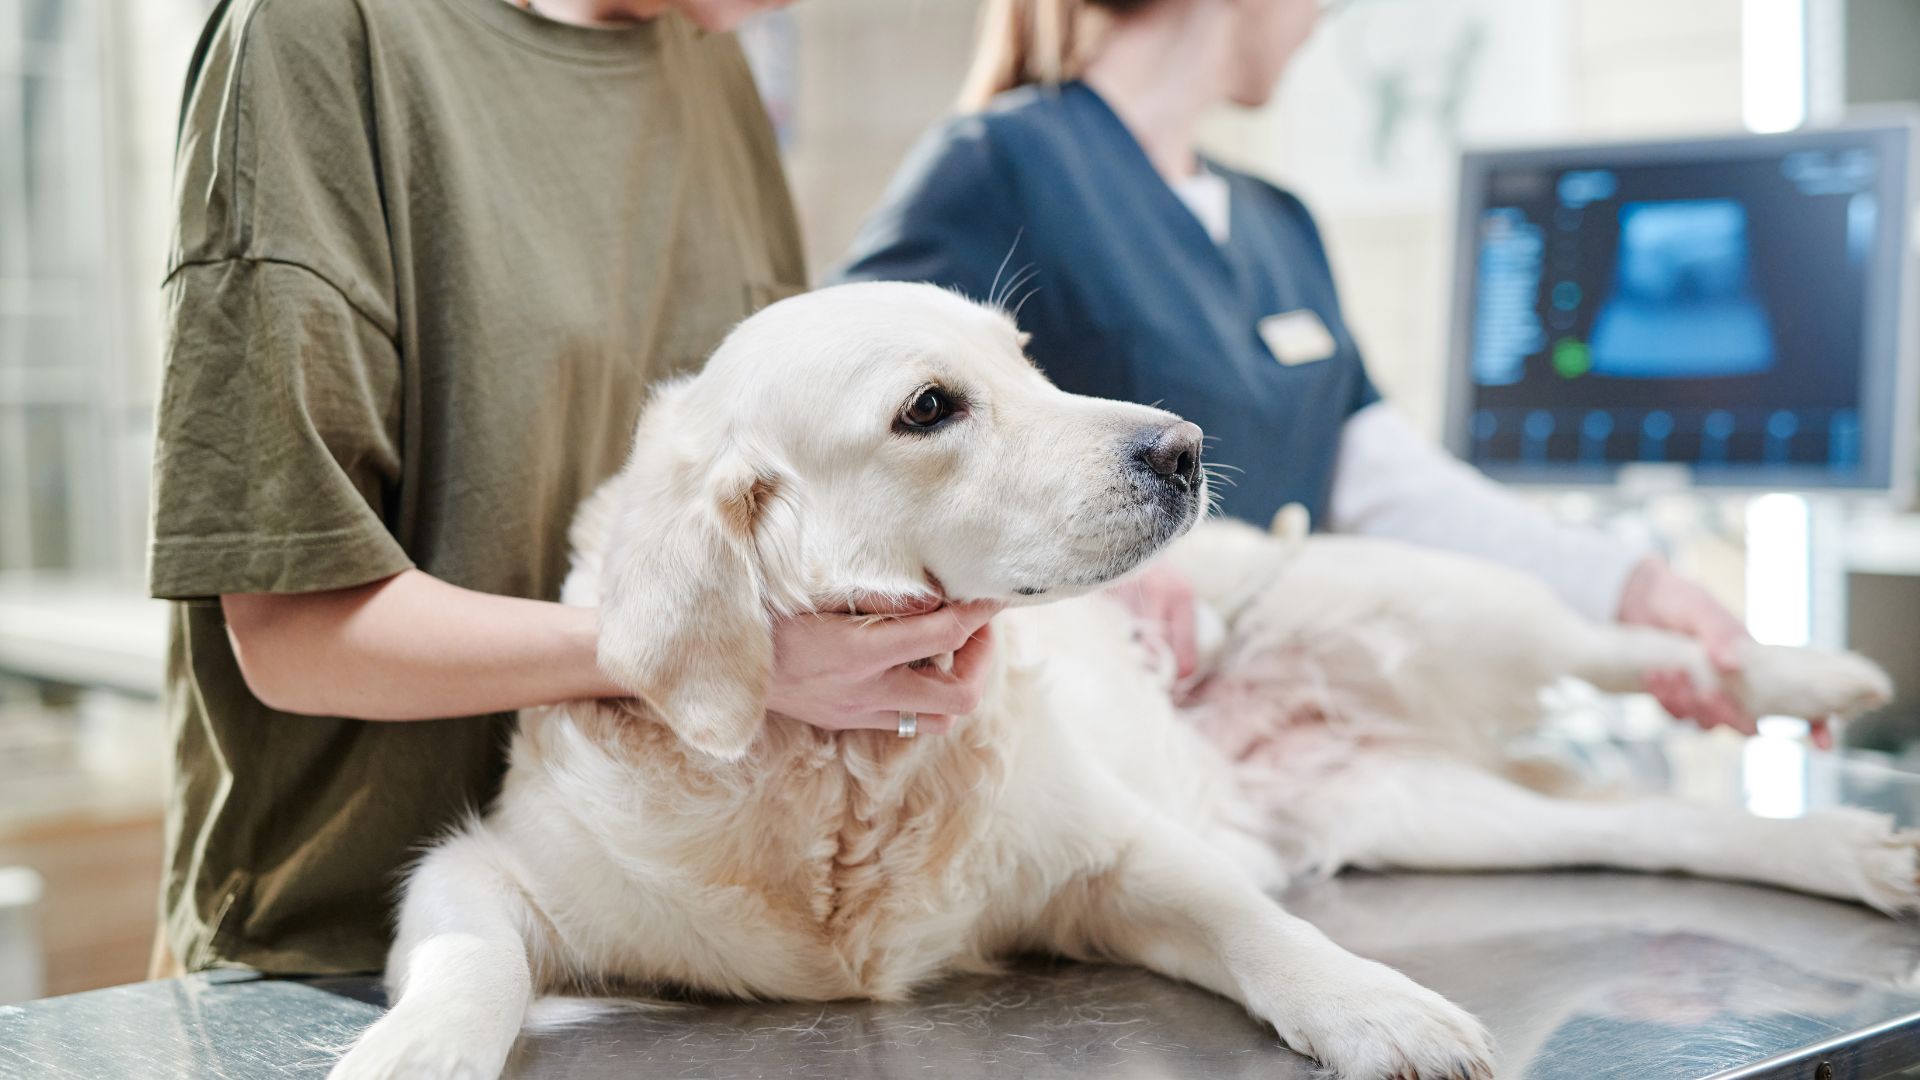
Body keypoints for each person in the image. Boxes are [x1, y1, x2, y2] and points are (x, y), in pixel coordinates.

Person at [148, 0, 997, 977]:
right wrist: (700, 649)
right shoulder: (321, 37)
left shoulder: (711, 62)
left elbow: (770, 517)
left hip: (674, 939)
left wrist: (912, 652)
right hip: (340, 960)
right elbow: (294, 635)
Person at [836, 0, 1765, 736]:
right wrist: (1105, 567)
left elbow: (1388, 484)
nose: (1322, 19)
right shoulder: (999, 164)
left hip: (1284, 728)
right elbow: (840, 440)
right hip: (1101, 747)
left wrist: (1631, 587)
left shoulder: (1280, 220)